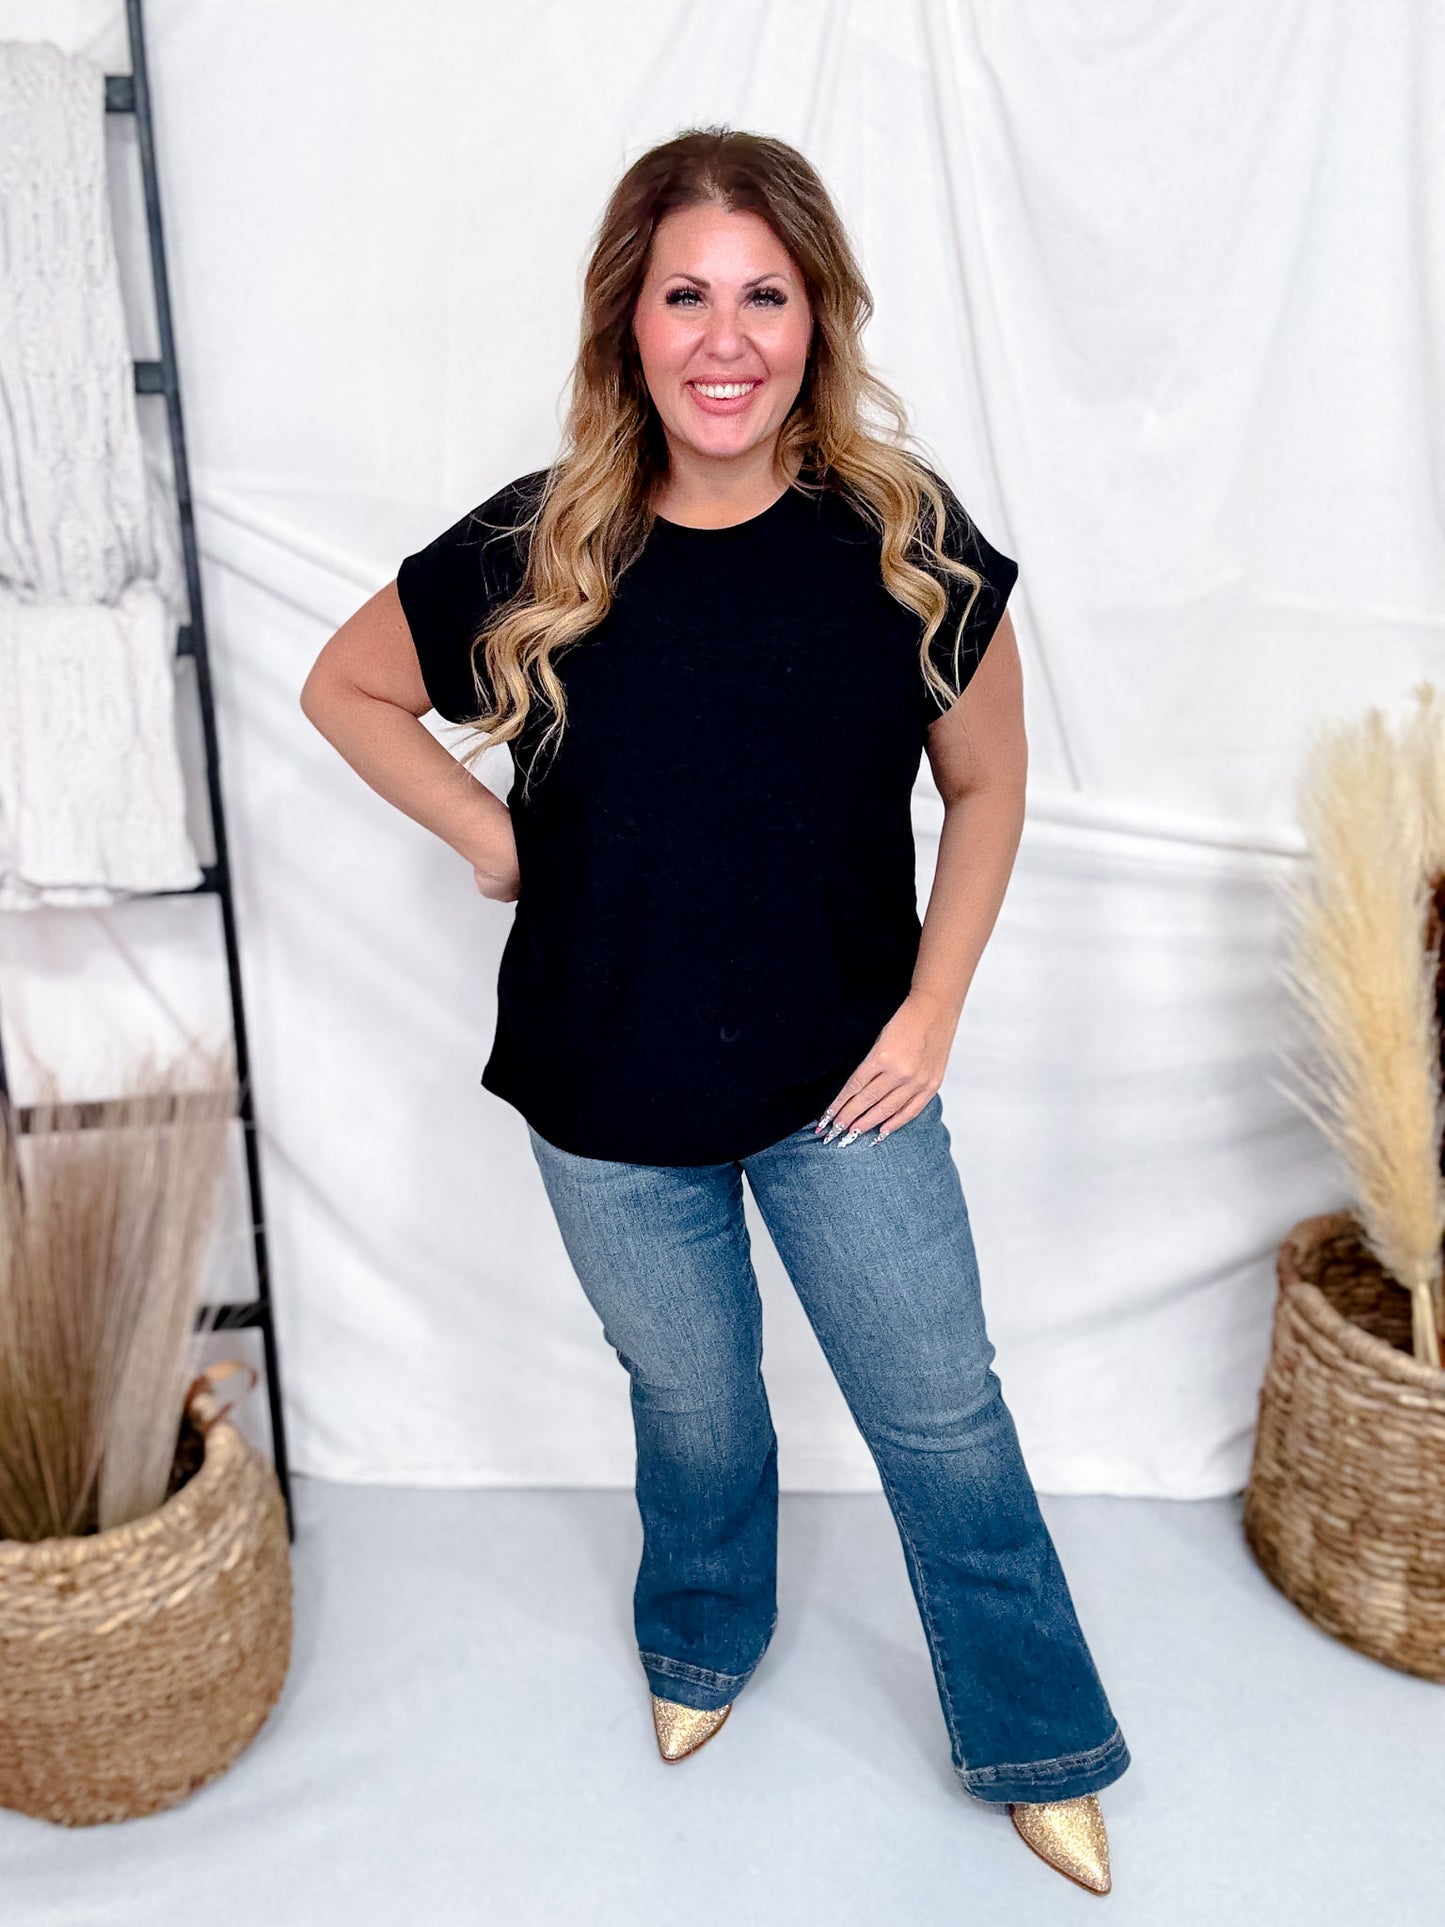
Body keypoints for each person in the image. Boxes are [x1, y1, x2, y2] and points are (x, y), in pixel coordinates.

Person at [301, 126, 1130, 1896]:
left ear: (818, 320)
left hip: (847, 1085)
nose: (726, 336)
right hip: (602, 1095)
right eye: (687, 293)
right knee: (691, 1401)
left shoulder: (900, 540)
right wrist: (483, 830)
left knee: (941, 1411)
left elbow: (986, 789)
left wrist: (932, 1013)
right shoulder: (544, 541)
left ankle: (1036, 1736)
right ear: (629, 320)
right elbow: (348, 684)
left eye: (766, 294)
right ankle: (700, 1639)